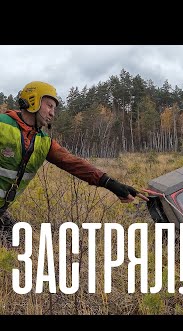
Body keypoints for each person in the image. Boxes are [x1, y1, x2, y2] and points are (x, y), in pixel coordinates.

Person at [0, 81, 148, 246]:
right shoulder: (2, 125)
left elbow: (74, 164)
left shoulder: (43, 142)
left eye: (54, 109)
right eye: (49, 106)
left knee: (18, 245)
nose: (52, 113)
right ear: (32, 101)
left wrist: (113, 184)